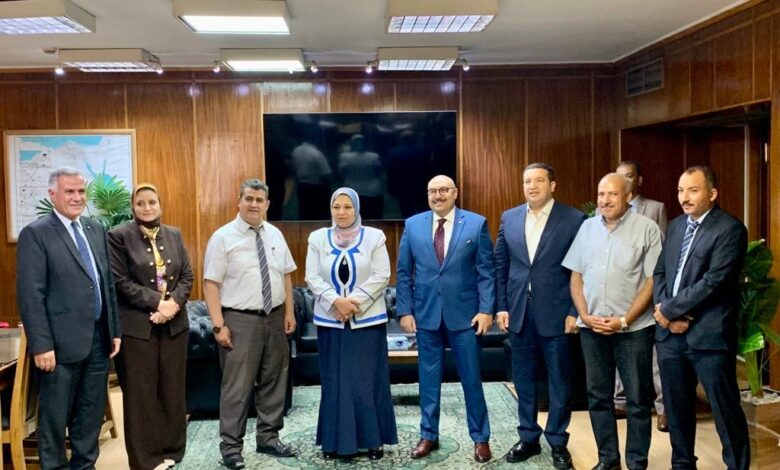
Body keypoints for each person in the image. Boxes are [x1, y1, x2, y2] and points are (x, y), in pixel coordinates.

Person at [16, 166, 122, 469]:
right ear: (53, 195)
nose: (77, 197)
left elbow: (106, 282)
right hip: (58, 346)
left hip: (98, 340)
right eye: (69, 192)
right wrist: (41, 345)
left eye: (81, 191)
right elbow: (31, 295)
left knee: (90, 415)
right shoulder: (36, 233)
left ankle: (85, 465)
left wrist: (113, 329)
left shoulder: (94, 228)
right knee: (54, 419)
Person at [563, 173, 662, 470]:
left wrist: (624, 320)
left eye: (612, 194)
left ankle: (636, 462)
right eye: (601, 194)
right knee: (598, 397)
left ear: (628, 197)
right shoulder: (587, 228)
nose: (605, 200)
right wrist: (583, 314)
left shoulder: (647, 229)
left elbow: (652, 280)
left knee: (637, 399)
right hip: (592, 328)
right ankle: (608, 459)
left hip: (633, 330)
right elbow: (576, 275)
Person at [653, 166, 749, 470]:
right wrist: (665, 313)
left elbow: (713, 282)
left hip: (709, 337)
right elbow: (660, 272)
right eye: (681, 190)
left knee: (725, 411)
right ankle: (682, 464)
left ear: (712, 193)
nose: (684, 197)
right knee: (677, 410)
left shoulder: (730, 229)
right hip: (671, 338)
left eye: (693, 190)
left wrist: (669, 311)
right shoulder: (676, 226)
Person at [396, 174, 495, 463]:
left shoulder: (475, 223)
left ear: (455, 193)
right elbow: (404, 272)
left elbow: (486, 272)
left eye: (443, 190)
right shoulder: (413, 225)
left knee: (472, 380)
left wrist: (486, 310)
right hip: (426, 316)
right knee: (428, 381)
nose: (437, 195)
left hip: (466, 317)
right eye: (432, 191)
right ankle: (428, 435)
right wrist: (405, 311)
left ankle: (480, 438)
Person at [494, 163, 586, 468]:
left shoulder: (573, 219)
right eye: (527, 181)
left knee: (560, 380)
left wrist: (575, 311)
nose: (532, 186)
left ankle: (558, 441)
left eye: (538, 181)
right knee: (524, 379)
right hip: (519, 312)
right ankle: (528, 437)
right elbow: (501, 265)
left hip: (558, 314)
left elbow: (582, 269)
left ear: (552, 185)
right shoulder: (509, 218)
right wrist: (501, 306)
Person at [203, 179, 298, 470]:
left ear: (267, 204)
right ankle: (231, 448)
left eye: (259, 200)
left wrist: (289, 312)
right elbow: (210, 283)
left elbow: (285, 275)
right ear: (239, 201)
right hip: (239, 320)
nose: (254, 204)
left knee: (274, 380)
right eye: (249, 199)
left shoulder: (275, 234)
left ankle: (268, 438)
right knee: (237, 387)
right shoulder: (223, 237)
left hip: (274, 317)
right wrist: (218, 325)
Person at [304, 187, 398, 460]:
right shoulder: (317, 238)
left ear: (357, 209)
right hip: (331, 323)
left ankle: (373, 441)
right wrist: (336, 302)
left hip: (367, 324)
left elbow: (382, 275)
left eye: (347, 207)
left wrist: (351, 304)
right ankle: (334, 443)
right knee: (334, 382)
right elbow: (311, 277)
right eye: (337, 207)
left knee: (366, 382)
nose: (342, 212)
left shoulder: (375, 237)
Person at [107, 183, 194, 470]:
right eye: (141, 203)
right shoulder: (118, 236)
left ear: (160, 204)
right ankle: (146, 459)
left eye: (152, 202)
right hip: (137, 329)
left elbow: (187, 276)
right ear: (133, 207)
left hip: (174, 326)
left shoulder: (174, 234)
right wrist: (158, 303)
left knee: (172, 390)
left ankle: (172, 449)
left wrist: (172, 307)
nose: (147, 208)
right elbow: (120, 282)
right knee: (141, 395)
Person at [615, 160, 669, 431]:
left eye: (628, 176)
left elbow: (664, 252)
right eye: (619, 176)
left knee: (657, 354)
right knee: (619, 344)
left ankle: (664, 408)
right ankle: (621, 401)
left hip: (651, 288)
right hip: (622, 291)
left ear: (639, 179)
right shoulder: (606, 211)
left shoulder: (655, 209)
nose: (624, 180)